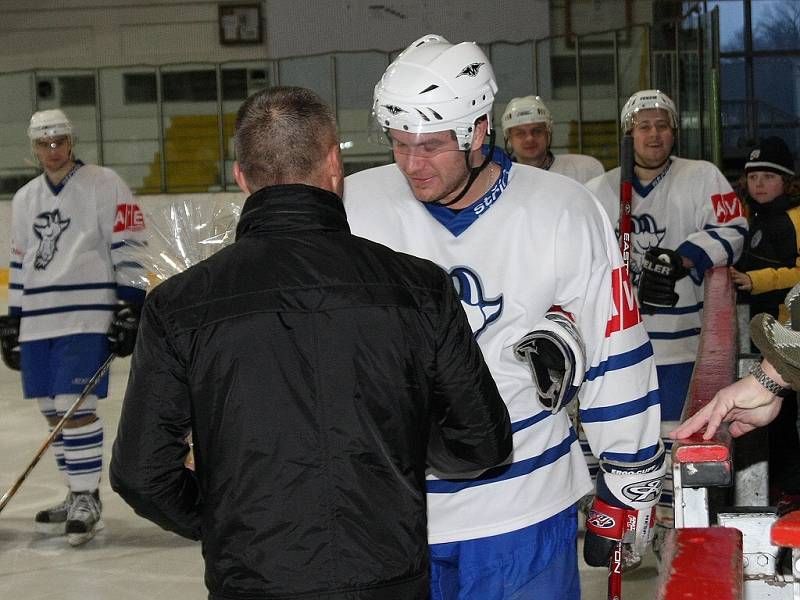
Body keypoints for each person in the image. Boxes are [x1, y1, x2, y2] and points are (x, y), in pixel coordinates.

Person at [109, 86, 513, 600]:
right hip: (387, 577)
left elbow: (141, 473)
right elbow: (482, 441)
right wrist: (400, 439)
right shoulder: (418, 287)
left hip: (254, 578)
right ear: (333, 165)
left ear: (241, 177)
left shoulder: (179, 305)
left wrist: (222, 518)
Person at [344, 34, 663, 599]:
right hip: (384, 516)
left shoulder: (562, 208)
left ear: (479, 130)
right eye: (399, 143)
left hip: (523, 515)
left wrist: (630, 481)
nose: (412, 164)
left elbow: (615, 346)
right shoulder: (353, 204)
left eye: (433, 145)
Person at [585, 89, 748, 518]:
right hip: (618, 344)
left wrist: (684, 258)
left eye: (662, 125)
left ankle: (674, 520)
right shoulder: (599, 190)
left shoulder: (702, 176)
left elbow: (734, 230)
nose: (653, 135)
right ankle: (625, 520)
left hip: (680, 343)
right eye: (643, 127)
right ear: (629, 134)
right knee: (623, 438)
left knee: (677, 436)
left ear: (674, 132)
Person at [0, 109, 147, 546]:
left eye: (59, 142)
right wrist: (12, 319)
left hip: (86, 313)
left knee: (74, 405)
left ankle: (86, 497)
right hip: (39, 317)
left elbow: (130, 240)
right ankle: (74, 493)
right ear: (33, 148)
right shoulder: (26, 198)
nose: (52, 151)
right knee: (51, 408)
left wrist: (131, 305)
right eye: (44, 144)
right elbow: (20, 261)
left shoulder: (105, 184)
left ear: (71, 140)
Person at [730, 136, 800, 502]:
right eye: (753, 175)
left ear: (786, 181)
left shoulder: (795, 218)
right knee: (772, 416)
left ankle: (790, 488)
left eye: (768, 176)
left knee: (786, 416)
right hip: (763, 335)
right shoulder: (747, 219)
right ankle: (779, 486)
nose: (759, 183)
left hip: (790, 336)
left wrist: (754, 281)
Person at [501, 95, 605, 184]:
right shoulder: (501, 182)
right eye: (520, 133)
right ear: (509, 139)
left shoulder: (584, 169)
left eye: (537, 131)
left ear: (548, 133)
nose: (529, 138)